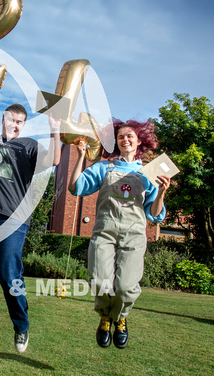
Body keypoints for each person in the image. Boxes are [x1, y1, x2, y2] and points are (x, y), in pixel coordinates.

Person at [0, 85, 61, 361]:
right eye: (10, 120)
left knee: (8, 273)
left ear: (23, 125)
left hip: (14, 220)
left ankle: (21, 325)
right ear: (2, 120)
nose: (14, 125)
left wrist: (55, 129)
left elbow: (54, 159)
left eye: (19, 122)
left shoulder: (28, 147)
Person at [67, 119, 170, 349]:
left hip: (134, 235)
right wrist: (81, 156)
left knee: (124, 286)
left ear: (139, 141)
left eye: (130, 136)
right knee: (101, 282)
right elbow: (75, 187)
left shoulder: (148, 173)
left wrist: (161, 192)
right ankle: (105, 318)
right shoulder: (105, 167)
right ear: (117, 143)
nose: (125, 140)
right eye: (121, 137)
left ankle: (120, 318)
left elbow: (154, 215)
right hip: (105, 232)